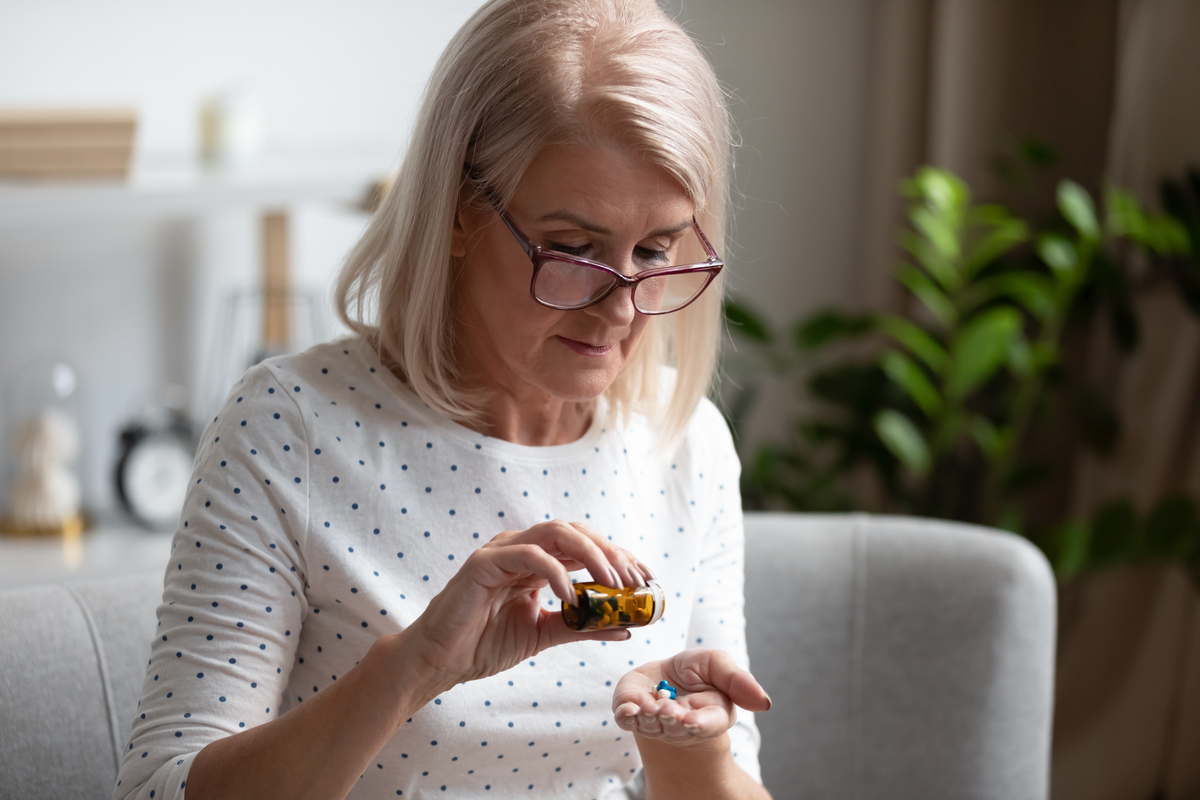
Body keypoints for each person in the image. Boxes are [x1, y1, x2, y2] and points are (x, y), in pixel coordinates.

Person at [113, 0, 771, 798]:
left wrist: (685, 746)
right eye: (573, 249)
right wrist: (415, 666)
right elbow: (157, 790)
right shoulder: (289, 428)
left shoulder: (685, 442)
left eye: (657, 251)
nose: (622, 305)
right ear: (461, 209)